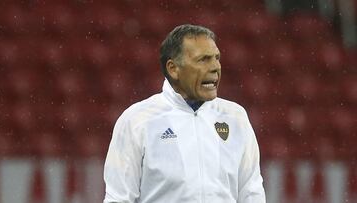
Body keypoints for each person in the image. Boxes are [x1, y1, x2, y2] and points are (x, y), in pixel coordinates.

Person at [103, 24, 266, 203]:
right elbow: (118, 198)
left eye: (216, 58)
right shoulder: (136, 121)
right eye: (203, 59)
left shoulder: (236, 117)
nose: (215, 67)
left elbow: (252, 192)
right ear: (173, 69)